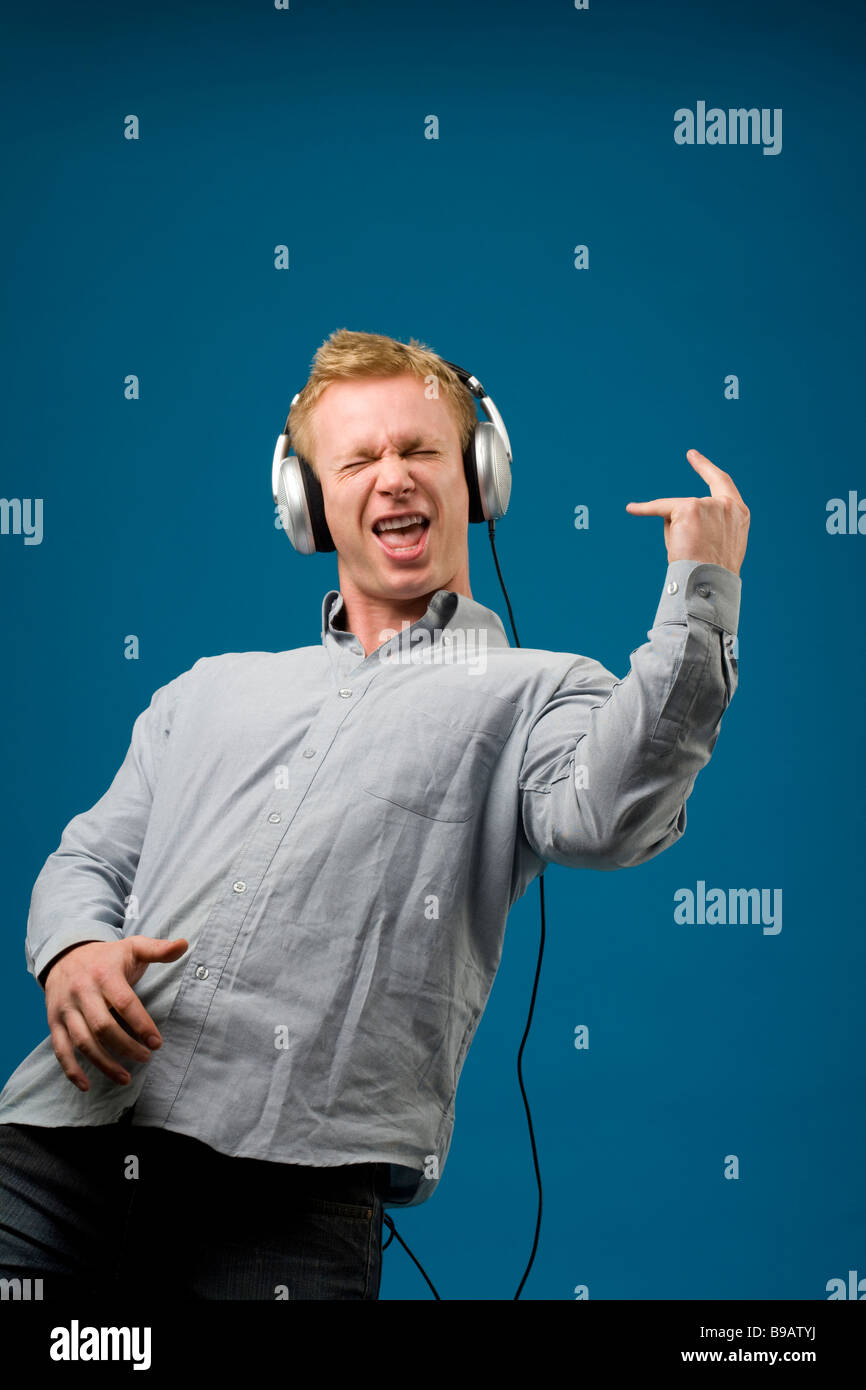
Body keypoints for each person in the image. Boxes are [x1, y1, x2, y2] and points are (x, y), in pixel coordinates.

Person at [0, 329, 749, 1300]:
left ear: (477, 476)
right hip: (54, 1149)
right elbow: (88, 859)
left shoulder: (541, 690)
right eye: (356, 459)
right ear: (307, 502)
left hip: (293, 1190)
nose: (391, 477)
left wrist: (701, 589)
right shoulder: (206, 691)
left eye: (419, 450)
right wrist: (73, 952)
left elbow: (610, 816)